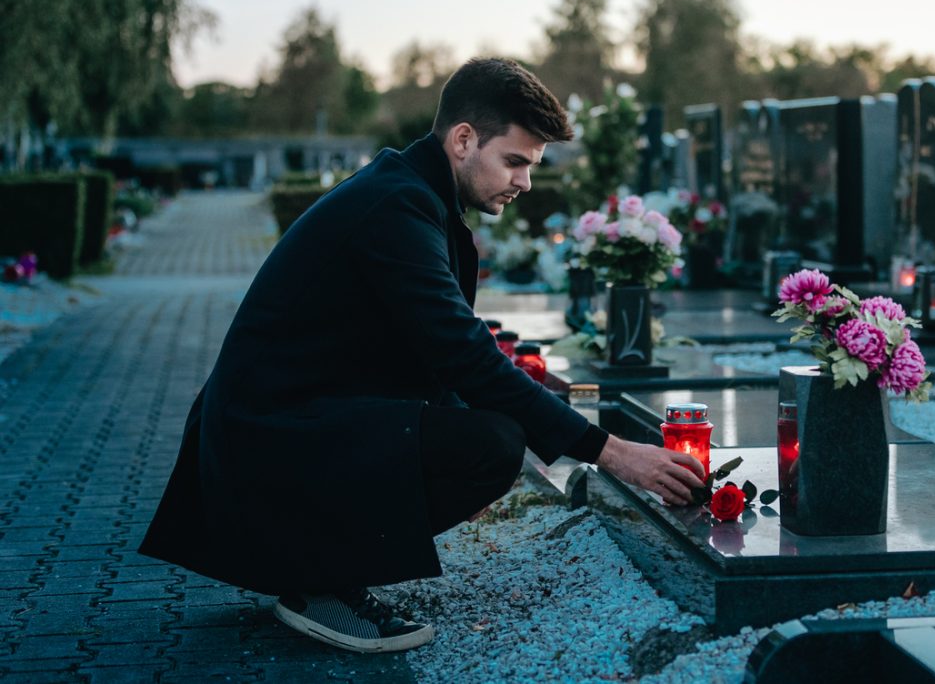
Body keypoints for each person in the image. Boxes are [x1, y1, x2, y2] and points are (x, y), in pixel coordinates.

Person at [139, 58, 705, 654]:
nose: (526, 183)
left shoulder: (412, 192)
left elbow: (449, 352)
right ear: (464, 139)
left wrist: (561, 404)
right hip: (264, 444)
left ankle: (323, 562)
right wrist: (611, 453)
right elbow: (464, 354)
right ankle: (316, 582)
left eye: (532, 166)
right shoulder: (397, 207)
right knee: (488, 447)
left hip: (289, 423)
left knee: (481, 422)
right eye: (515, 161)